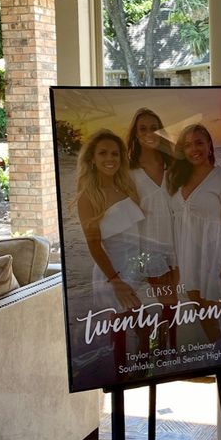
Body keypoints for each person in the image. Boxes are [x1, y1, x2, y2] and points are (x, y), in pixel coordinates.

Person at [76, 129, 144, 371]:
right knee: (121, 337)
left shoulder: (126, 187)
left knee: (143, 331)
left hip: (136, 269)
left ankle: (142, 376)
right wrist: (116, 281)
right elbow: (93, 245)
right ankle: (121, 382)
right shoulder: (88, 197)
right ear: (92, 158)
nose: (110, 158)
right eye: (103, 153)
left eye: (115, 153)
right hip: (113, 274)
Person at [167, 124, 221, 342]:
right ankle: (218, 354)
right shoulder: (177, 179)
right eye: (187, 145)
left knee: (213, 314)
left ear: (209, 146)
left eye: (199, 142)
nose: (194, 149)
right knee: (200, 311)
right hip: (187, 255)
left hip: (213, 255)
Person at [126, 108, 179, 343]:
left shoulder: (174, 166)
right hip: (145, 245)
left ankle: (167, 351)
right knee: (164, 302)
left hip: (175, 244)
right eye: (143, 128)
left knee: (172, 303)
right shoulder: (128, 171)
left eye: (153, 128)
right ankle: (156, 345)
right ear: (136, 135)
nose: (149, 133)